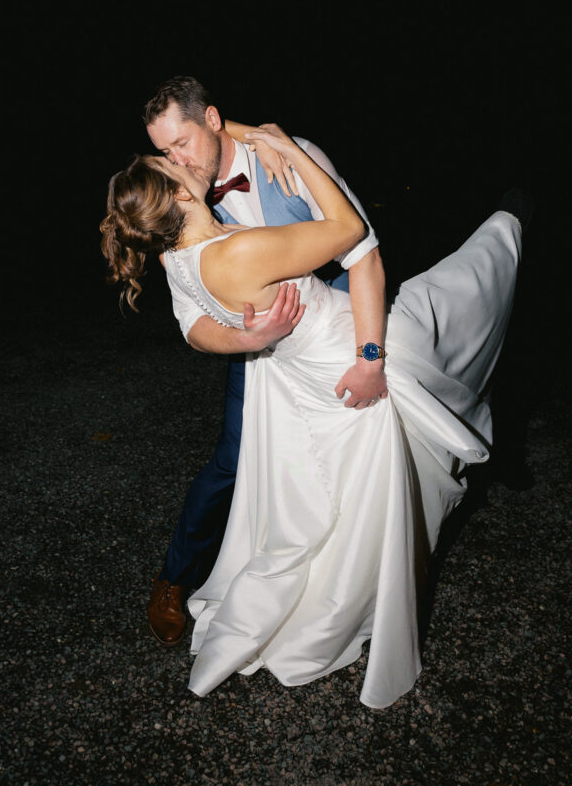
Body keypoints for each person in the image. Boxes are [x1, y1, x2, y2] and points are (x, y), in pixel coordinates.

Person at [100, 126, 522, 708]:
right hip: (343, 357)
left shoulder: (177, 253)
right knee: (458, 294)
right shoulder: (234, 250)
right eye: (168, 163)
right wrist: (290, 145)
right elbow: (351, 231)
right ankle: (512, 223)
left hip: (309, 372)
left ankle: (509, 227)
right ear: (179, 197)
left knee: (343, 499)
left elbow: (199, 318)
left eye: (175, 148)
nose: (178, 161)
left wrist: (248, 333)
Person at [141, 76, 387, 646]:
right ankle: (173, 580)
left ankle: (343, 587)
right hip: (259, 354)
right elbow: (192, 325)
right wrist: (247, 343)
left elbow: (363, 256)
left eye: (182, 143)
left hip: (328, 335)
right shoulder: (173, 201)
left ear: (213, 119)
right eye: (164, 151)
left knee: (361, 451)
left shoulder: (288, 159)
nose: (174, 160)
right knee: (234, 461)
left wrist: (369, 356)